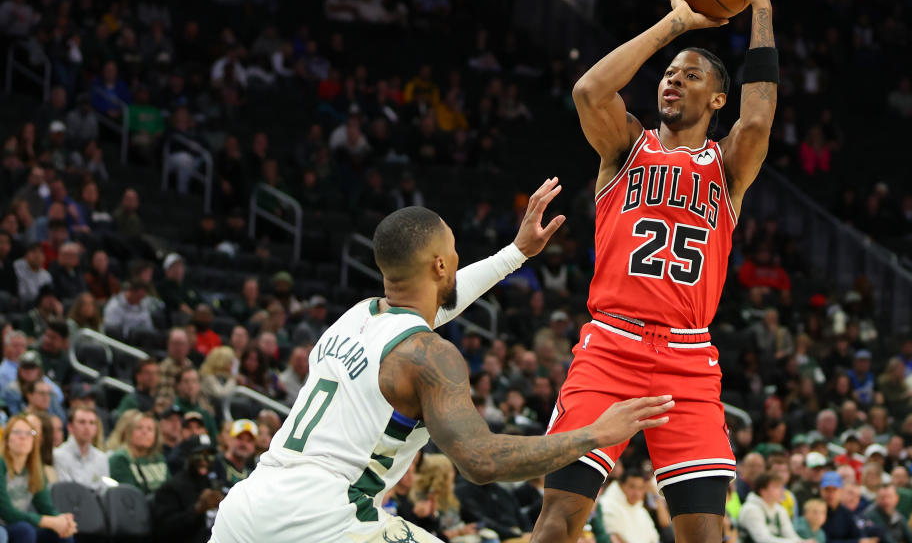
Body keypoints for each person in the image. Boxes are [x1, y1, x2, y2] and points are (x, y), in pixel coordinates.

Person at [211, 182, 674, 543]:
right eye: (452, 248)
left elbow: (436, 307)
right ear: (438, 266)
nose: (457, 256)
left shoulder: (357, 317)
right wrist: (596, 434)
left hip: (246, 507)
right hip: (321, 518)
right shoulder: (430, 356)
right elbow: (481, 462)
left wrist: (514, 255)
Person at [533, 0, 776, 543]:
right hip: (609, 347)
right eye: (668, 75)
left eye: (690, 76)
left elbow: (758, 118)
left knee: (704, 536)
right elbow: (589, 91)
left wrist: (762, 5)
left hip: (688, 359)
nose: (672, 81)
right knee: (559, 522)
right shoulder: (625, 148)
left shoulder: (726, 167)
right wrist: (674, 24)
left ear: (716, 96)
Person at [0, 415, 77, 542]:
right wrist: (48, 521)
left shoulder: (35, 470)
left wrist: (64, 523)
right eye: (17, 432)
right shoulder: (1, 465)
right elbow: (7, 512)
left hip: (20, 524)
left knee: (62, 534)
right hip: (3, 526)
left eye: (29, 433)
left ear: (34, 441)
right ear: (7, 439)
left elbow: (47, 508)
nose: (23, 437)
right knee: (25, 530)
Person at [152, 434, 224, 543]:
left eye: (209, 456)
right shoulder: (171, 488)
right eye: (198, 456)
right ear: (187, 456)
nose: (204, 461)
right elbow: (163, 530)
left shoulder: (213, 485)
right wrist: (197, 509)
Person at [107, 411, 169, 495]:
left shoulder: (158, 458)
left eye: (150, 429)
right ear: (129, 432)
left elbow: (170, 488)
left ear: (156, 436)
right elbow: (129, 495)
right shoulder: (121, 458)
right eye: (139, 428)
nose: (144, 432)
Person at [739, 473, 809, 543]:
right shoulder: (751, 509)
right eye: (776, 487)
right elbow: (763, 540)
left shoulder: (779, 509)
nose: (782, 491)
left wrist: (803, 542)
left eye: (782, 487)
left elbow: (790, 535)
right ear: (763, 491)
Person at [597, 467, 661, 543]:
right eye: (632, 487)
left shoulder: (641, 509)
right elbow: (614, 537)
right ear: (621, 485)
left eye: (640, 488)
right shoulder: (607, 504)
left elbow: (654, 539)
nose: (637, 493)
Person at [53, 407, 109, 491]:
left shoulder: (101, 458)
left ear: (96, 429)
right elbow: (64, 491)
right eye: (82, 422)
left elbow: (104, 491)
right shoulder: (58, 455)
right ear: (70, 427)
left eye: (92, 423)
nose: (87, 427)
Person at [213, 420, 257, 490]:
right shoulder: (215, 463)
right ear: (229, 439)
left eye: (249, 440)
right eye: (239, 438)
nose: (244, 444)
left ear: (254, 446)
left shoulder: (252, 474)